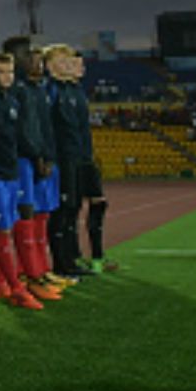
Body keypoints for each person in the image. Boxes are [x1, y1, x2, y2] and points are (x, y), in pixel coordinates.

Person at [0, 54, 45, 309]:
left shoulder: (12, 101)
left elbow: (15, 137)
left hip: (11, 172)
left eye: (10, 72)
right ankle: (16, 288)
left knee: (4, 228)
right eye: (1, 72)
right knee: (1, 228)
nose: (7, 77)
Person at [2, 37, 64, 302]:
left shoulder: (34, 89)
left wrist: (47, 155)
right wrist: (37, 155)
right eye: (26, 54)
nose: (31, 59)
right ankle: (28, 276)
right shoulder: (15, 90)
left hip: (36, 158)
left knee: (39, 214)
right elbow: (20, 130)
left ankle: (38, 271)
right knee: (23, 216)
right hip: (22, 160)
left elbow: (41, 127)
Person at [66, 51, 120, 273]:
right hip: (72, 158)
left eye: (82, 64)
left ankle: (96, 257)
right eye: (76, 64)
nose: (82, 68)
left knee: (98, 203)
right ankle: (75, 259)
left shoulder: (77, 91)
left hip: (85, 157)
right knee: (72, 209)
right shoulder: (61, 92)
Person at [44, 45, 94, 276]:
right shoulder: (51, 90)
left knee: (73, 208)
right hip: (62, 159)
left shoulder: (72, 90)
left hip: (77, 157)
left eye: (69, 61)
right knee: (62, 211)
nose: (68, 65)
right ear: (50, 65)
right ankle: (61, 264)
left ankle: (72, 259)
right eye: (62, 61)